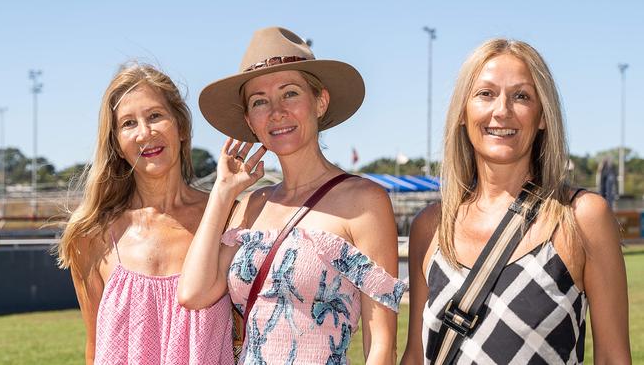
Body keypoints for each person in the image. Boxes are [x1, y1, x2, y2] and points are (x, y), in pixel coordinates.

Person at [178, 27, 407, 364]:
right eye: (259, 101)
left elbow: (382, 344)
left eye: (290, 93)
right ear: (250, 122)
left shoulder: (364, 201)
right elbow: (193, 293)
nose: (276, 111)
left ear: (320, 101)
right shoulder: (250, 206)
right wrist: (222, 193)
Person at [401, 39, 631, 364]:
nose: (502, 111)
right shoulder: (430, 226)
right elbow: (415, 355)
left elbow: (612, 357)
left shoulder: (581, 217)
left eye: (521, 96)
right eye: (486, 94)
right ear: (463, 113)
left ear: (542, 117)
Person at [57, 63, 234, 365]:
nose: (145, 133)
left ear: (181, 127)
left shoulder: (231, 218)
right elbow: (95, 349)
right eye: (128, 123)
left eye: (155, 116)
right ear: (116, 143)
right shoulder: (92, 235)